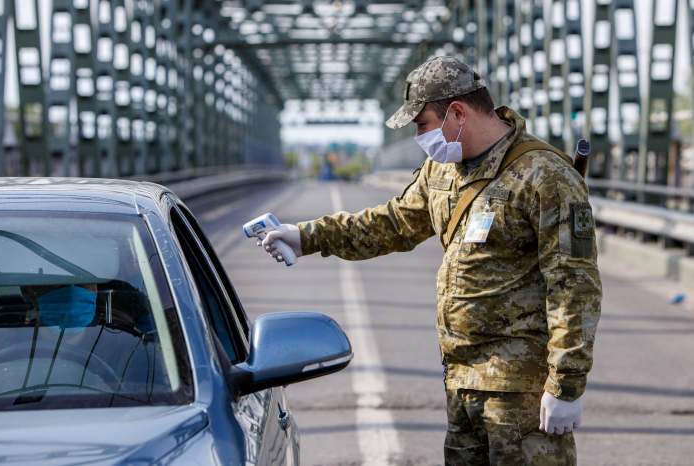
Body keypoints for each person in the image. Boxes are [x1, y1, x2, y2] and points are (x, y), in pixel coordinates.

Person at [258, 56, 602, 466]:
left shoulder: (544, 175)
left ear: (456, 113)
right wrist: (306, 237)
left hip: (520, 393)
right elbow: (393, 222)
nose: (421, 136)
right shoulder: (441, 172)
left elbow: (573, 286)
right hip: (460, 384)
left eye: (422, 124)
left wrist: (566, 384)